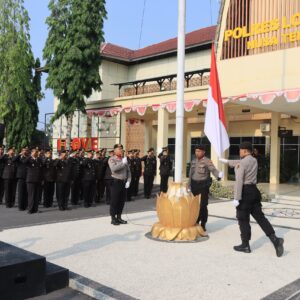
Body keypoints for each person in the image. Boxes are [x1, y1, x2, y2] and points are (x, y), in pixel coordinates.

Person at [219, 141, 284, 257]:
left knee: (242, 219)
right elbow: (240, 163)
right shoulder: (254, 160)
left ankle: (245, 245)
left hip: (245, 193)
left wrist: (236, 198)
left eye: (240, 150)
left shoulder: (242, 163)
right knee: (260, 218)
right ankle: (275, 239)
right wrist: (227, 162)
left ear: (244, 150)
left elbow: (239, 181)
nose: (239, 152)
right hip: (254, 192)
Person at [188, 144, 223, 231]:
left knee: (203, 205)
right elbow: (190, 174)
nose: (197, 153)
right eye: (196, 151)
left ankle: (203, 223)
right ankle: (195, 221)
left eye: (199, 151)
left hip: (203, 185)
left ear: (203, 152)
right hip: (194, 185)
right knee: (194, 205)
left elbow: (213, 169)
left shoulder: (207, 161)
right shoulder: (193, 161)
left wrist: (218, 175)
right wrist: (188, 185)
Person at [108, 144, 131, 225]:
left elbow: (128, 171)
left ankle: (119, 217)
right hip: (116, 182)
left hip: (123, 182)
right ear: (114, 150)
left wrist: (128, 181)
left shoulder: (124, 159)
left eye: (121, 148)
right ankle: (113, 218)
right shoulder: (112, 159)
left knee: (121, 201)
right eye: (119, 148)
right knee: (115, 201)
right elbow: (114, 169)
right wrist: (122, 163)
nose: (121, 150)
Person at [23, 147, 44, 214]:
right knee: (31, 195)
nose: (36, 153)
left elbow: (42, 169)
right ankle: (30, 209)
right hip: (31, 180)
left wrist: (42, 179)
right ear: (31, 152)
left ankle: (36, 209)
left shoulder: (39, 159)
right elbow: (24, 162)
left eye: (37, 152)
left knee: (36, 195)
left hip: (38, 179)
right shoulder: (29, 159)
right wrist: (30, 156)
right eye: (34, 152)